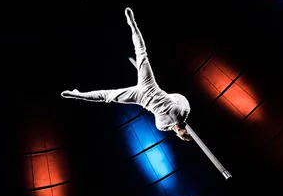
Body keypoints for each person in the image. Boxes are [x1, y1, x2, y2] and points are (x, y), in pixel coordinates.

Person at [61, 8, 192, 141]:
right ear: (185, 129)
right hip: (150, 87)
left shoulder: (163, 127)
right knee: (141, 53)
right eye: (185, 134)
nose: (183, 134)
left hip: (141, 98)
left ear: (179, 135)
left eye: (183, 136)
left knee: (108, 96)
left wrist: (161, 100)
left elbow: (168, 103)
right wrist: (165, 97)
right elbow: (179, 96)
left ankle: (78, 95)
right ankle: (132, 24)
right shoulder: (184, 112)